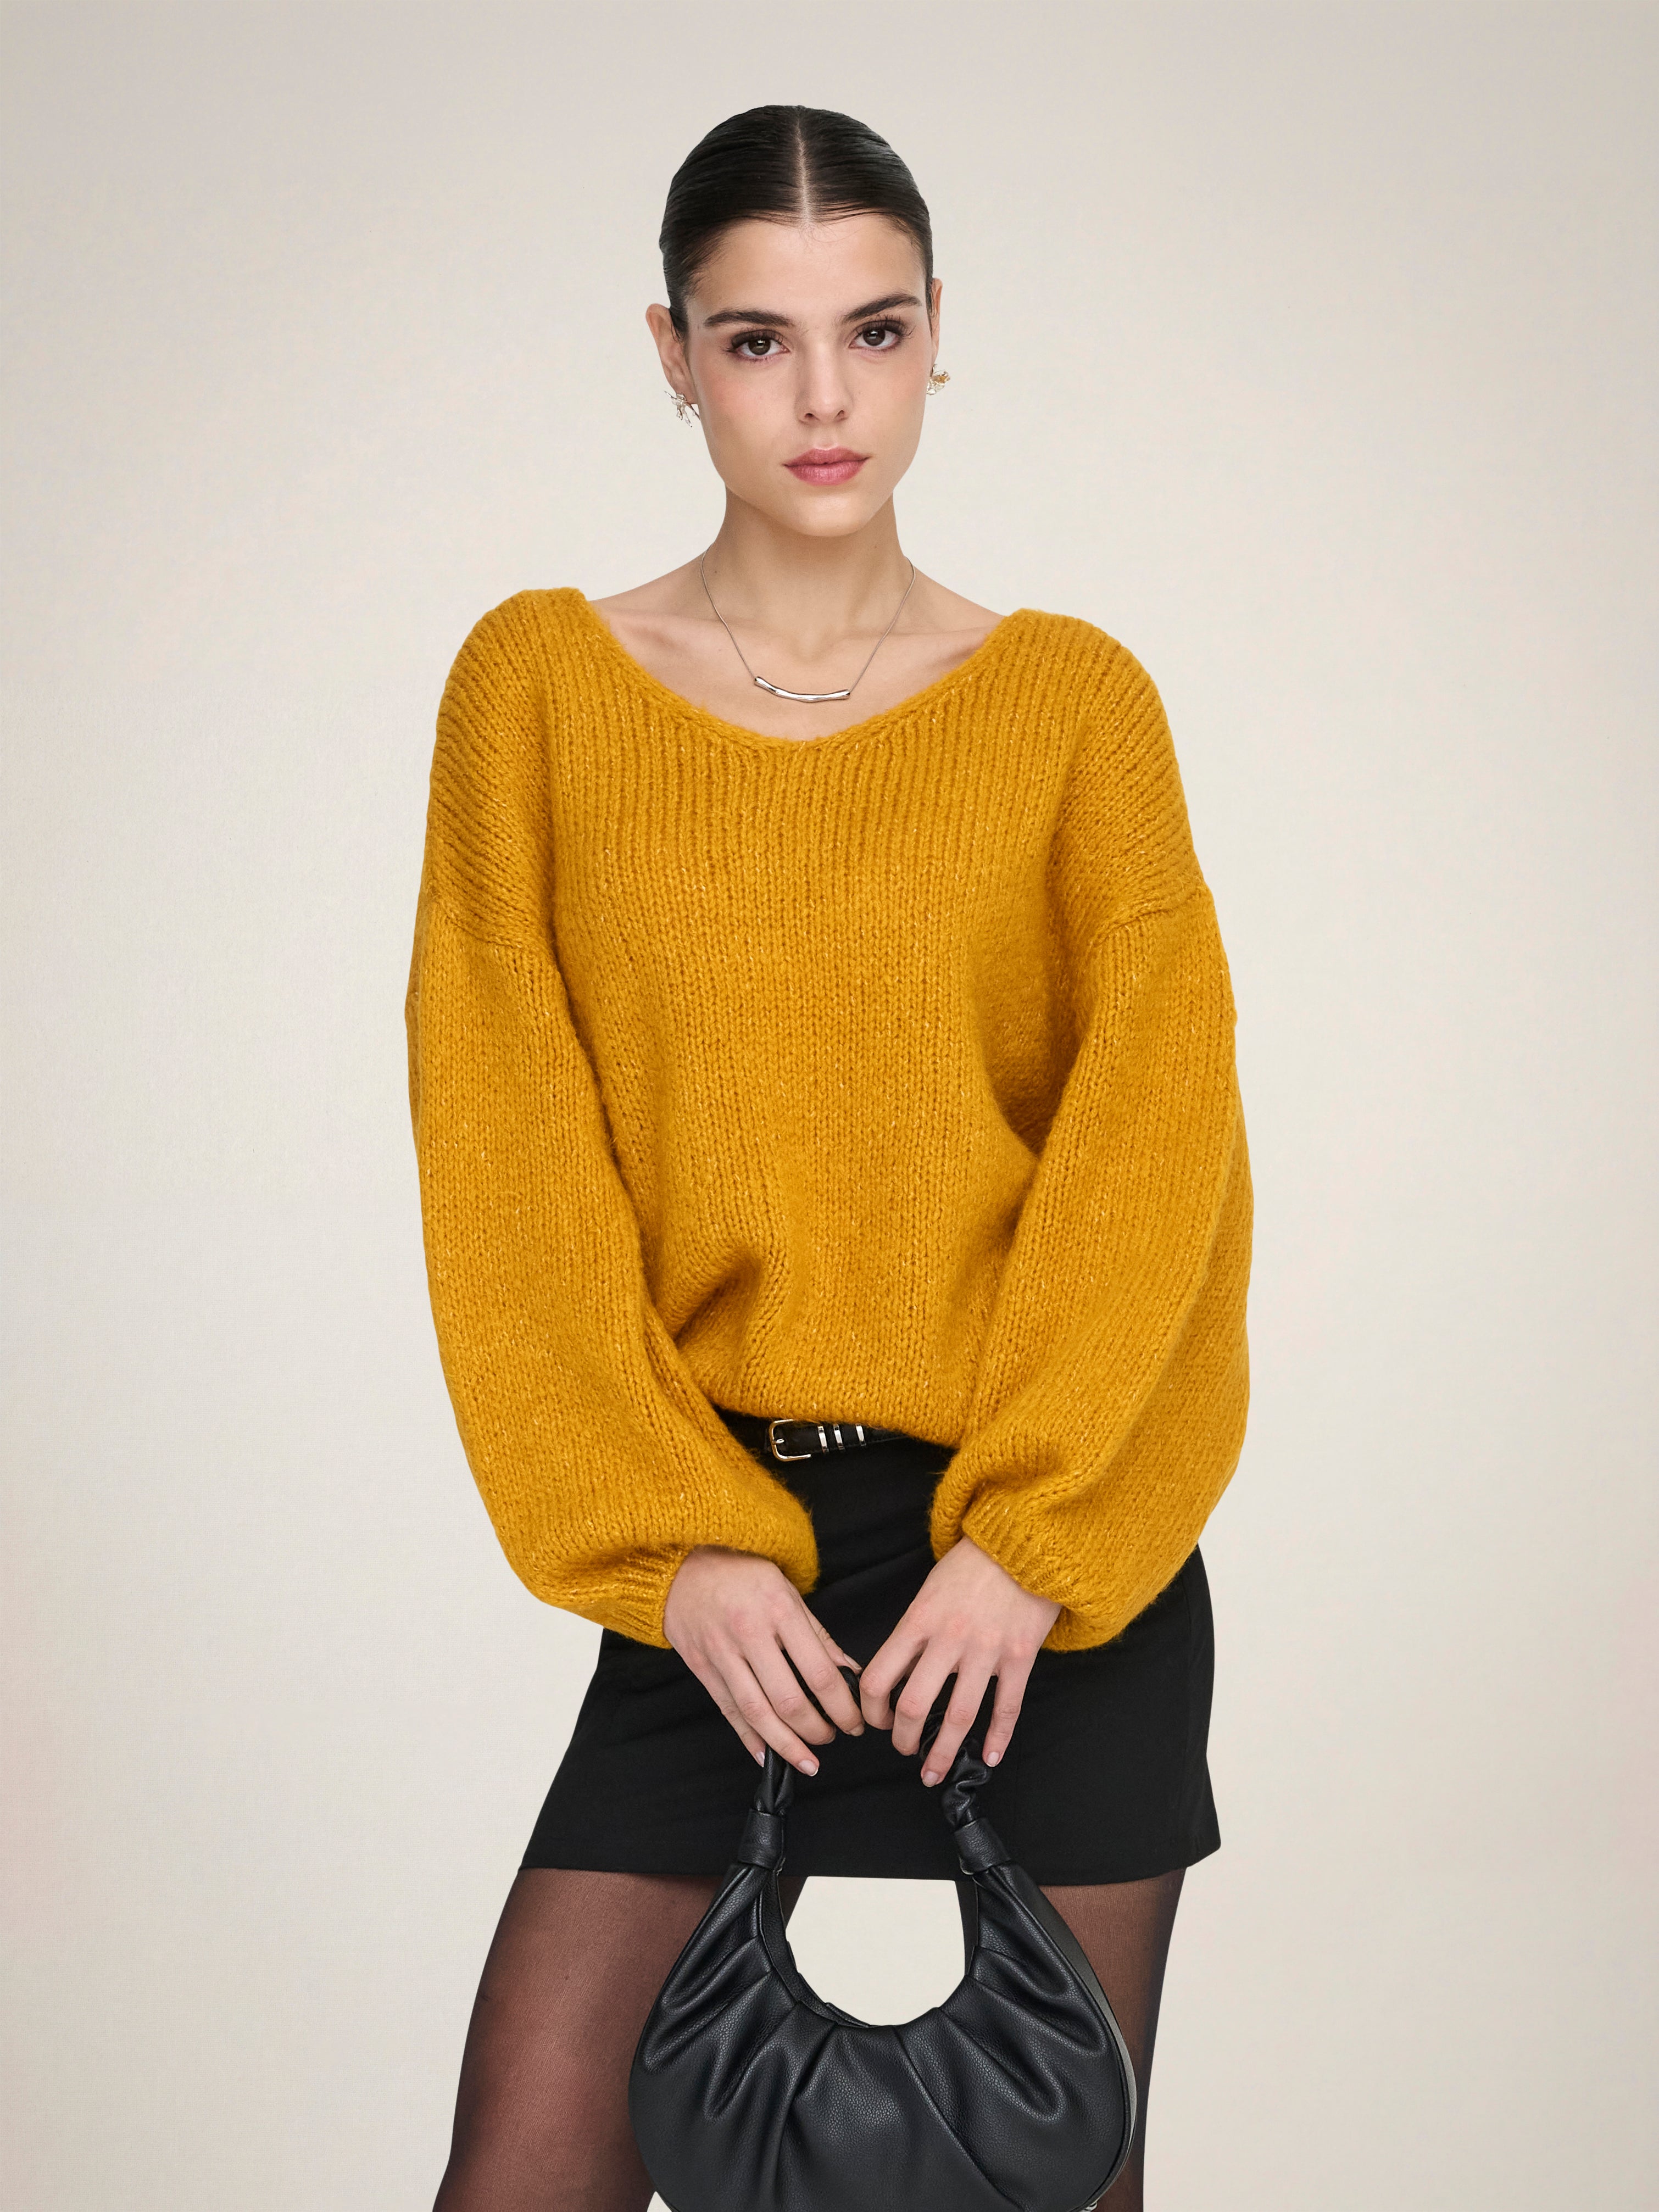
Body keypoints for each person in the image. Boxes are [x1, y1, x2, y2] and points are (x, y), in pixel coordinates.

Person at [407, 103, 1251, 2212]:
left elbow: (1158, 1153)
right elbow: (503, 1151)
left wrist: (1032, 1542)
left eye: (872, 332)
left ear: (937, 334)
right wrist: (669, 1549)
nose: (823, 398)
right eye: (756, 339)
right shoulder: (535, 690)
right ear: (672, 354)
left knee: (1051, 2188)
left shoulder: (1073, 706)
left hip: (1036, 1567)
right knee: (524, 2174)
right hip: (723, 1566)